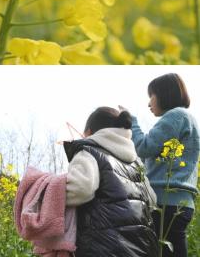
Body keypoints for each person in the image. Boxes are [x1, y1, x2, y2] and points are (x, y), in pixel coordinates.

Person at [64, 107, 158, 257]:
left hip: (103, 249)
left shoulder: (88, 151)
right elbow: (152, 200)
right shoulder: (136, 162)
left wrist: (47, 194)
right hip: (143, 249)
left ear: (89, 132)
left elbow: (79, 190)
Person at [125, 73, 200, 257]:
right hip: (182, 202)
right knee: (172, 248)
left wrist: (132, 122)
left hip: (166, 201)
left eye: (151, 96)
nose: (149, 103)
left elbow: (144, 147)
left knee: (161, 250)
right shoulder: (185, 118)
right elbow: (155, 156)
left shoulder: (175, 116)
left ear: (165, 94)